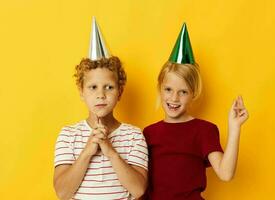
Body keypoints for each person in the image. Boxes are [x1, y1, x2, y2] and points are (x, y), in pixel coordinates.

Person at [143, 23, 249, 200]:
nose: (174, 98)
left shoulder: (204, 130)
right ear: (160, 89)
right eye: (168, 90)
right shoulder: (149, 133)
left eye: (183, 92)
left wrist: (235, 127)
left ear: (193, 93)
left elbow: (225, 173)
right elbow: (141, 183)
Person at [53, 17, 148, 200]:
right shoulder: (68, 135)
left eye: (109, 87)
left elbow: (138, 190)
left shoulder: (134, 136)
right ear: (81, 92)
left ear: (119, 92)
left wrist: (109, 150)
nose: (101, 95)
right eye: (93, 87)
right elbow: (62, 193)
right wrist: (88, 150)